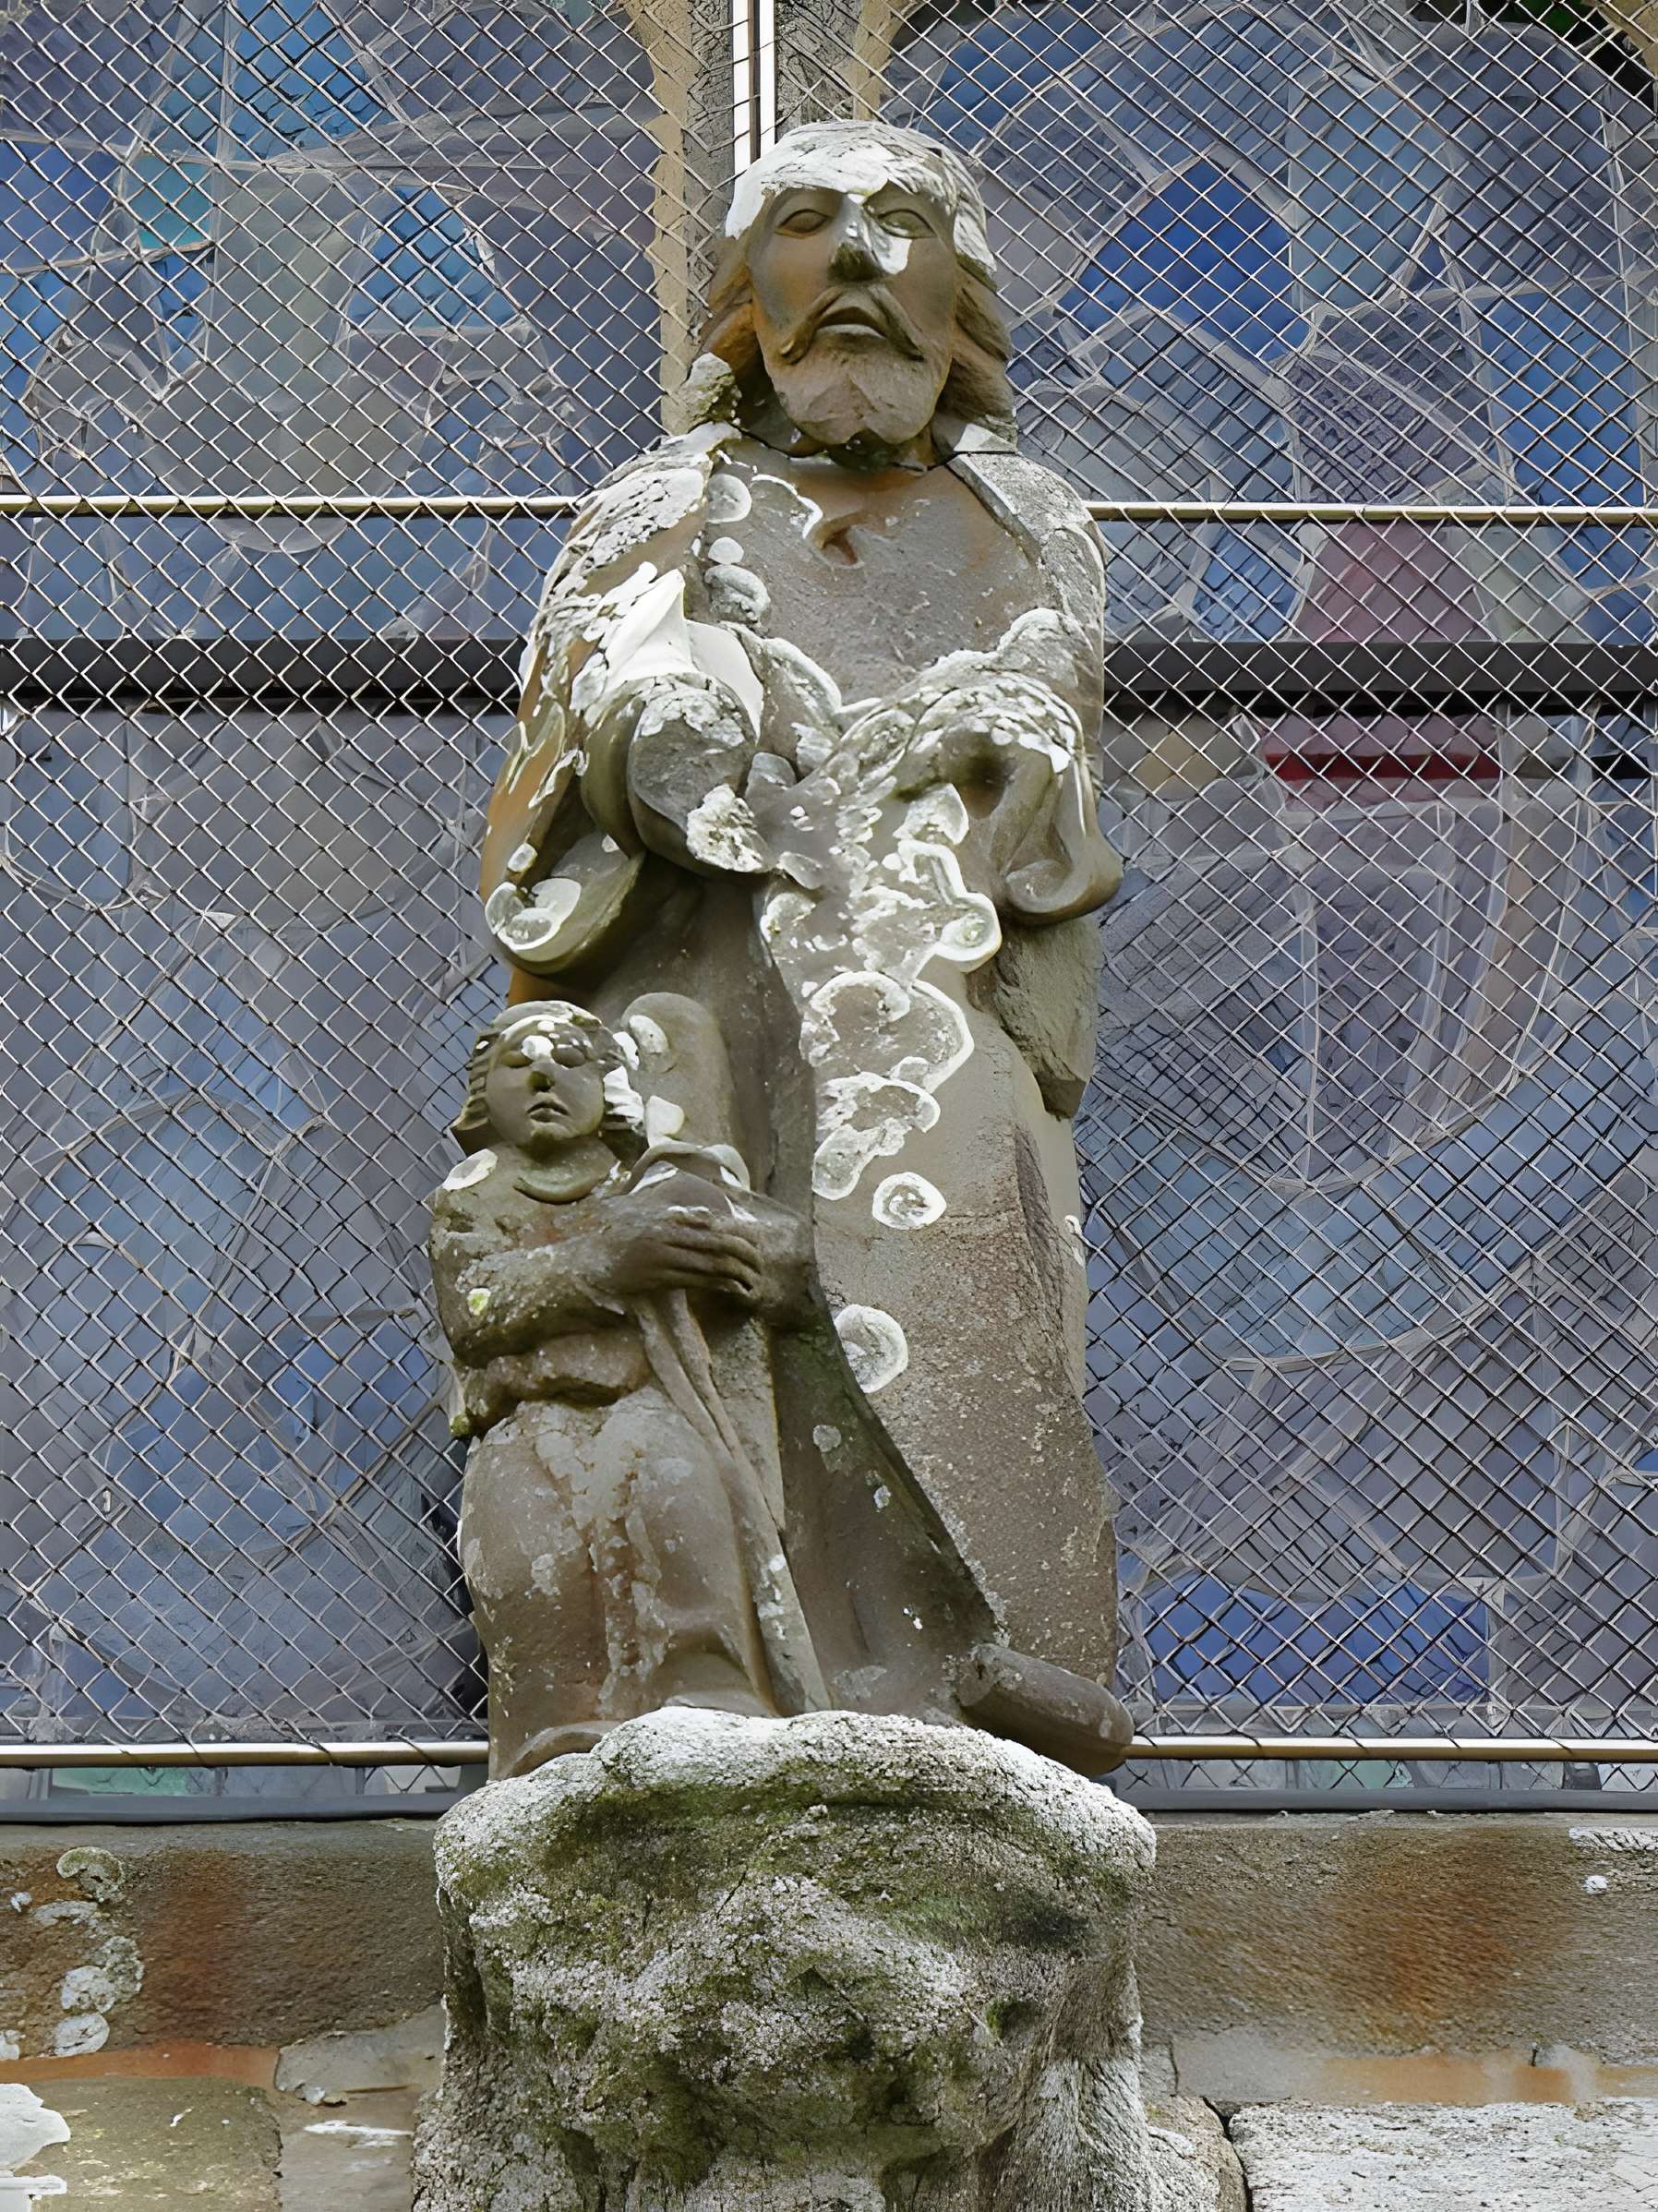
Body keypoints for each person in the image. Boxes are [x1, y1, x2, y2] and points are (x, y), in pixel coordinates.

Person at [459, 122, 1131, 1766]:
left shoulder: (1026, 519)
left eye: (898, 229)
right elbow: (579, 720)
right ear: (746, 295)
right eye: (808, 227)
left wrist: (1003, 719)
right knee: (713, 1285)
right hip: (704, 980)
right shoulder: (666, 502)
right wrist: (667, 709)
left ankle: (975, 1699)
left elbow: (1063, 707)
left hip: (932, 988)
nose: (851, 265)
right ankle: (718, 1682)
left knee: (957, 1267)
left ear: (955, 294)